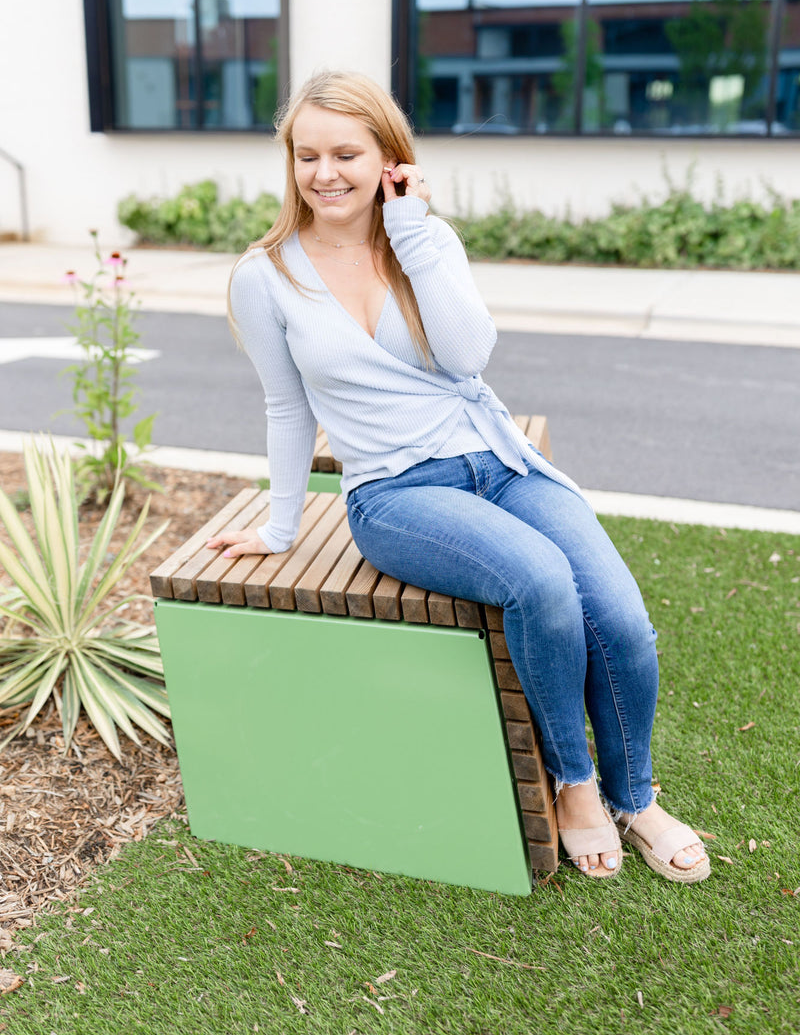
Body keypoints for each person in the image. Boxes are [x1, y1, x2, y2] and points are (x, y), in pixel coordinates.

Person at [206, 70, 710, 884]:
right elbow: (286, 407)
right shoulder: (265, 275)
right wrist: (280, 526)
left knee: (620, 617)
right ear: (289, 163)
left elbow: (469, 355)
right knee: (540, 582)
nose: (325, 173)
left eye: (346, 153)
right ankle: (576, 786)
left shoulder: (425, 241)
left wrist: (410, 228)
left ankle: (636, 795)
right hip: (397, 496)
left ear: (387, 158)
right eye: (307, 155)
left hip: (502, 463)